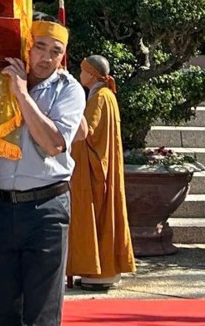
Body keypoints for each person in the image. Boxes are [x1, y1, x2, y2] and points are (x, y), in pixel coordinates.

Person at [0, 19, 86, 326]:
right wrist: (4, 90)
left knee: (42, 309)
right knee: (4, 306)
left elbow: (54, 143)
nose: (45, 58)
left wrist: (21, 95)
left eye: (55, 51)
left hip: (46, 207)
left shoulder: (68, 89)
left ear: (63, 56)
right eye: (39, 47)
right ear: (26, 47)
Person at [66, 55, 135, 291]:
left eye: (83, 70)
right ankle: (105, 270)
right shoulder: (106, 95)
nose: (79, 74)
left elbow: (86, 132)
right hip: (101, 165)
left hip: (94, 169)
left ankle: (96, 272)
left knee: (95, 217)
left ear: (92, 75)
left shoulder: (99, 98)